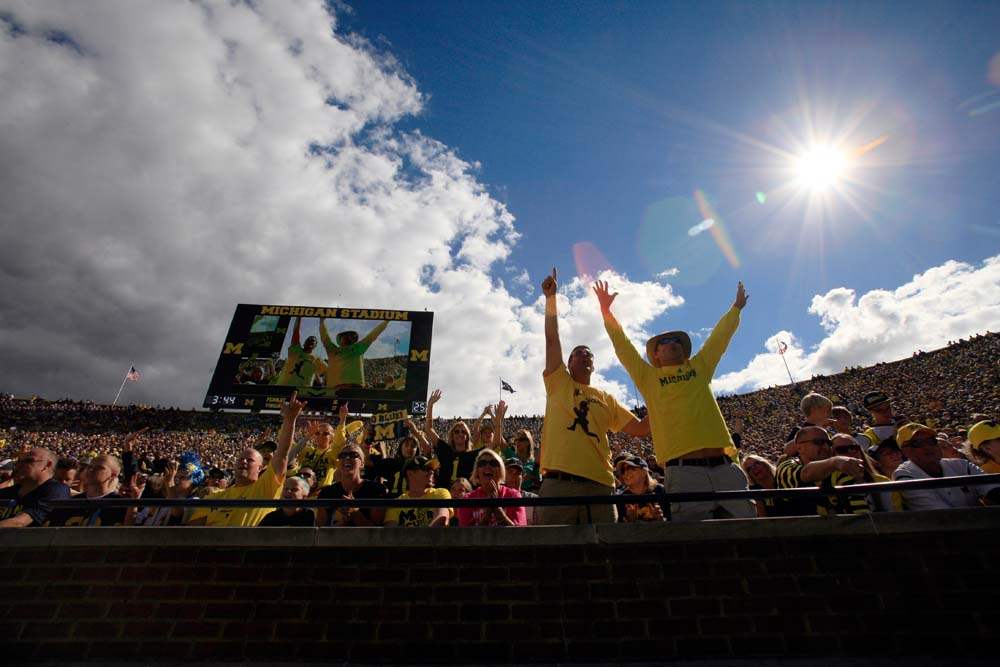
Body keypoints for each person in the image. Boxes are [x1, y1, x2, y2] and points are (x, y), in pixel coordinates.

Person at [595, 279, 753, 521]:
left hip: (724, 466)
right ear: (655, 355)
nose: (672, 343)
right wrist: (606, 312)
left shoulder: (700, 367)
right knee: (695, 539)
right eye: (664, 342)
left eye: (676, 341)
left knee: (750, 530)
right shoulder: (648, 377)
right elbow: (623, 347)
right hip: (683, 470)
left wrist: (736, 308)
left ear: (684, 350)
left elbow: (719, 339)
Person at [539, 269, 649, 525]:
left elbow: (642, 429)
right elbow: (552, 339)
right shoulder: (558, 383)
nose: (585, 355)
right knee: (551, 551)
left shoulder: (606, 398)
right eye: (579, 352)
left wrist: (664, 396)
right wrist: (551, 298)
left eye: (589, 353)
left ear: (594, 364)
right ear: (568, 362)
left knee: (604, 554)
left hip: (600, 485)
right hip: (559, 484)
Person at [186, 392, 303, 526]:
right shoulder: (214, 497)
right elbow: (193, 531)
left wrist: (290, 419)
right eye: (240, 459)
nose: (244, 461)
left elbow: (282, 453)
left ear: (260, 467)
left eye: (250, 460)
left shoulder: (266, 487)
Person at [892, 423, 1000, 510]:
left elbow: (993, 491)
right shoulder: (904, 475)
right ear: (905, 451)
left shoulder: (961, 465)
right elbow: (943, 516)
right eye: (917, 443)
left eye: (931, 441)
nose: (928, 447)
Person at [775, 426, 868, 516]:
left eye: (829, 443)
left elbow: (860, 512)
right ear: (800, 447)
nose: (826, 447)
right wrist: (834, 462)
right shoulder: (786, 467)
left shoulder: (838, 470)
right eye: (818, 442)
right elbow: (806, 474)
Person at [47, 454, 135, 527]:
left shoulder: (121, 505)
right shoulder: (70, 503)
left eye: (99, 468)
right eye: (90, 466)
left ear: (113, 475)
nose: (91, 470)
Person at [316, 443, 388, 527]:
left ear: (362, 464)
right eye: (342, 455)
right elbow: (320, 532)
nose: (347, 458)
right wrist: (342, 522)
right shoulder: (326, 493)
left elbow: (377, 533)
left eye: (353, 455)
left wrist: (355, 513)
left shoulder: (376, 490)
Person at [0, 447, 69, 527]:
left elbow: (19, 522)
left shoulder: (56, 490)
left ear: (47, 465)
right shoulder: (7, 492)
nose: (19, 465)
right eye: (19, 461)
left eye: (28, 461)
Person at [424, 388, 479, 490]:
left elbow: (495, 443)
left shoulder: (473, 455)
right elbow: (429, 429)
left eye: (463, 432)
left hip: (465, 498)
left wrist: (498, 422)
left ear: (467, 437)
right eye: (456, 431)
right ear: (452, 436)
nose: (460, 434)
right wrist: (430, 405)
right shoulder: (445, 450)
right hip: (443, 498)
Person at [456, 449, 526, 527]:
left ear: (501, 471)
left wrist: (498, 510)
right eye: (482, 463)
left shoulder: (514, 495)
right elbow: (465, 536)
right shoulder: (467, 499)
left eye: (493, 463)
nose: (487, 466)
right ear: (477, 471)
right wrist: (488, 512)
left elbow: (519, 534)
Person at [319, 318, 389, 390]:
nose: (349, 337)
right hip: (335, 388)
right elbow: (325, 337)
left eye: (352, 336)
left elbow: (373, 335)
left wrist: (386, 321)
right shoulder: (332, 350)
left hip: (355, 387)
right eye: (345, 335)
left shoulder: (358, 348)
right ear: (340, 339)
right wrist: (322, 322)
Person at [383, 456, 450, 527]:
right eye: (426, 469)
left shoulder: (441, 493)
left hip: (433, 538)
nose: (431, 472)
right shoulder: (396, 504)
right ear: (410, 474)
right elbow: (391, 531)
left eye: (432, 469)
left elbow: (442, 519)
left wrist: (421, 537)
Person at [274, 316, 327, 387]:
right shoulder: (295, 350)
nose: (311, 340)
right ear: (304, 343)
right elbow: (295, 331)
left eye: (313, 341)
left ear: (315, 346)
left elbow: (329, 373)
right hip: (282, 387)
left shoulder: (318, 360)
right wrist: (298, 316)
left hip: (302, 392)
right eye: (308, 340)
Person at [615, 455, 668, 522]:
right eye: (623, 470)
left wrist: (659, 519)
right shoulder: (622, 497)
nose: (625, 473)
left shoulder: (659, 490)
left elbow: (670, 521)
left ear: (644, 472)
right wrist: (631, 520)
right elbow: (621, 529)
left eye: (630, 468)